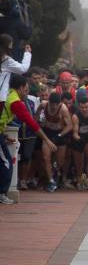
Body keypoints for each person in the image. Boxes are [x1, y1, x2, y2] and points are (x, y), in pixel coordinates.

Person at [0, 74, 57, 204]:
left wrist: (4, 136)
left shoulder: (7, 94)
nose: (27, 93)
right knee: (6, 163)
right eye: (26, 90)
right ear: (20, 88)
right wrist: (47, 140)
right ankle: (2, 193)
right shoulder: (15, 102)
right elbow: (31, 122)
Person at [36, 92, 73, 192]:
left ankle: (56, 174)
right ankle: (50, 180)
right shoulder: (44, 105)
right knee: (46, 157)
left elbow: (70, 126)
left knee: (59, 161)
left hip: (60, 133)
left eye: (56, 104)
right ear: (49, 102)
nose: (53, 106)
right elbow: (37, 113)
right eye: (52, 104)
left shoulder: (63, 109)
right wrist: (37, 122)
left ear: (59, 103)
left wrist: (59, 135)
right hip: (48, 132)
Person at [71, 96, 88, 190]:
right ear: (79, 107)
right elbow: (74, 133)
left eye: (86, 107)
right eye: (82, 107)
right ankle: (80, 179)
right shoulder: (75, 116)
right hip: (79, 140)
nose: (84, 109)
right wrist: (78, 138)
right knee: (80, 164)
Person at [0, 34, 32, 104]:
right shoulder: (6, 60)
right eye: (11, 43)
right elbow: (22, 69)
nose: (12, 45)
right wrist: (27, 53)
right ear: (7, 44)